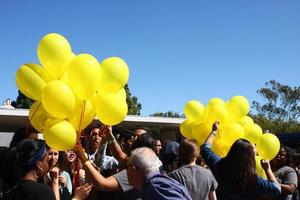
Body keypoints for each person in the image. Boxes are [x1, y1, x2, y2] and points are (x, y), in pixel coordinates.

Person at [200, 122, 281, 200]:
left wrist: (214, 131)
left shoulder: (218, 165)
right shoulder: (252, 179)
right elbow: (277, 189)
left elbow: (204, 149)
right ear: (250, 157)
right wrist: (267, 169)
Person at [127, 147, 192, 200]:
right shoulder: (155, 184)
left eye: (127, 167)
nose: (126, 171)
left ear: (133, 169)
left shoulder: (156, 186)